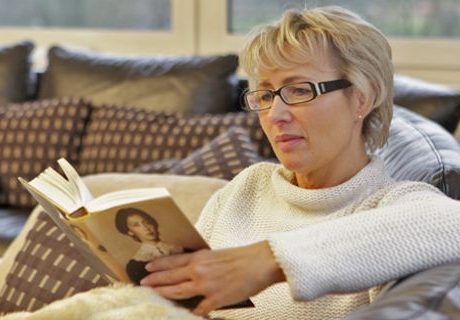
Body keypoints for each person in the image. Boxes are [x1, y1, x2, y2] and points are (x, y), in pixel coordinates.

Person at [139, 6, 460, 319]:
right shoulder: (245, 188)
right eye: (265, 96)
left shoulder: (392, 205)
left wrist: (269, 260)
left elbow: (453, 224)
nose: (275, 115)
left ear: (363, 97)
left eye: (299, 90)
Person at [115, 207, 185, 284]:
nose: (146, 228)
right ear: (130, 232)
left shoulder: (180, 249)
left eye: (147, 222)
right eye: (136, 225)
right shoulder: (134, 266)